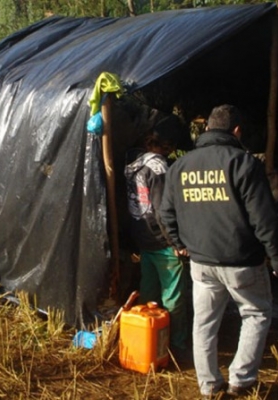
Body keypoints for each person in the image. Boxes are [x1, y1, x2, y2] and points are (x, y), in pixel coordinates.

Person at [158, 105, 278, 398]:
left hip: (201, 262)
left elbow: (165, 213)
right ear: (237, 131)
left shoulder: (180, 166)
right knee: (255, 313)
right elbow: (264, 219)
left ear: (206, 129)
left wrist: (179, 244)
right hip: (242, 262)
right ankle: (241, 381)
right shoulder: (244, 164)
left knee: (203, 324)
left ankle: (208, 384)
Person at [124, 115, 189, 357]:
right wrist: (176, 242)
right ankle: (176, 345)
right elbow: (163, 210)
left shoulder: (133, 163)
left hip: (143, 237)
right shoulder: (159, 167)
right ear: (169, 145)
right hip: (162, 242)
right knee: (174, 296)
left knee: (149, 292)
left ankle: (146, 342)